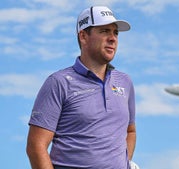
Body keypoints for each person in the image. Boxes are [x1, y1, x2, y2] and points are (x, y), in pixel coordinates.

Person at [26, 6, 138, 169]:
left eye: (115, 33)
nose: (113, 38)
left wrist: (123, 162)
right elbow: (36, 146)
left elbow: (130, 131)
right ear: (84, 36)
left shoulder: (125, 82)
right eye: (105, 31)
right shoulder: (58, 82)